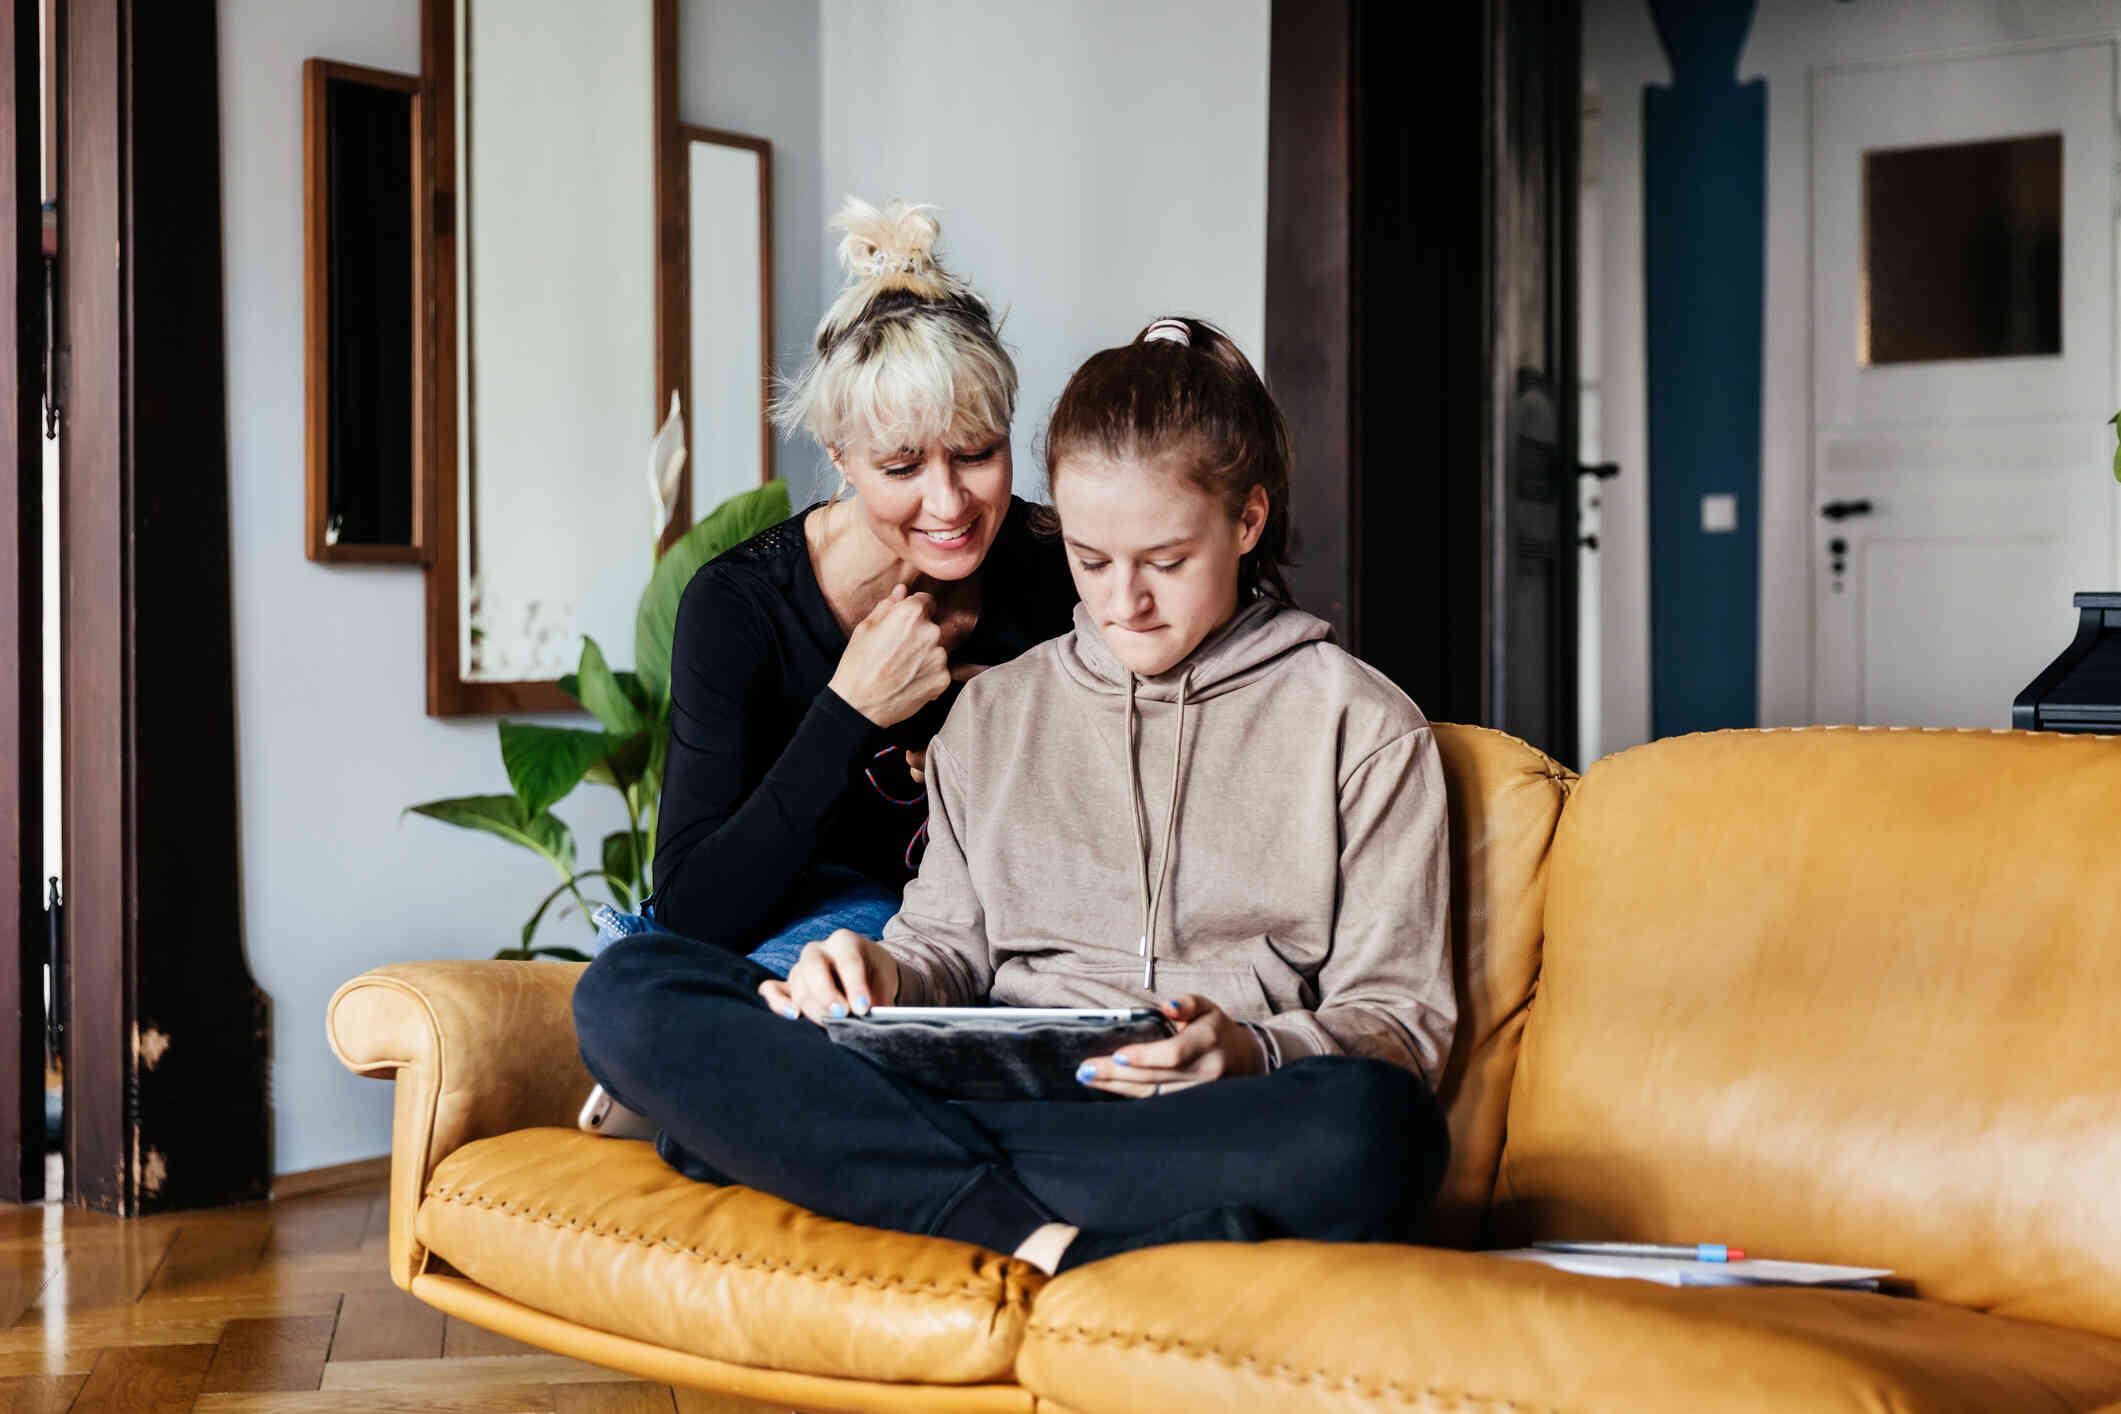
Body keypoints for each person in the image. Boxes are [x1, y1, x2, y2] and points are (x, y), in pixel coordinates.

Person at [575, 316, 1455, 1273]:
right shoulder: (994, 708)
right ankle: (1034, 1231)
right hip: (989, 1089)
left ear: (1246, 521)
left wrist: (1247, 1050)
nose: (1124, 603)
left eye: (1164, 562)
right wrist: (877, 974)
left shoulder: (1360, 726)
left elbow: (1401, 1025)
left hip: (1196, 1113)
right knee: (630, 988)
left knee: (1376, 1133)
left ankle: (835, 1162)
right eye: (1089, 561)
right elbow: (943, 950)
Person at [613, 198, 1077, 975]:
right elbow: (692, 912)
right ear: (840, 455)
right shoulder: (739, 608)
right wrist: (851, 709)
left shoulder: (1062, 564)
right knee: (636, 981)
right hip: (801, 938)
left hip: (992, 942)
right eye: (901, 467)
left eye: (976, 454)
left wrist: (1022, 734)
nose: (949, 503)